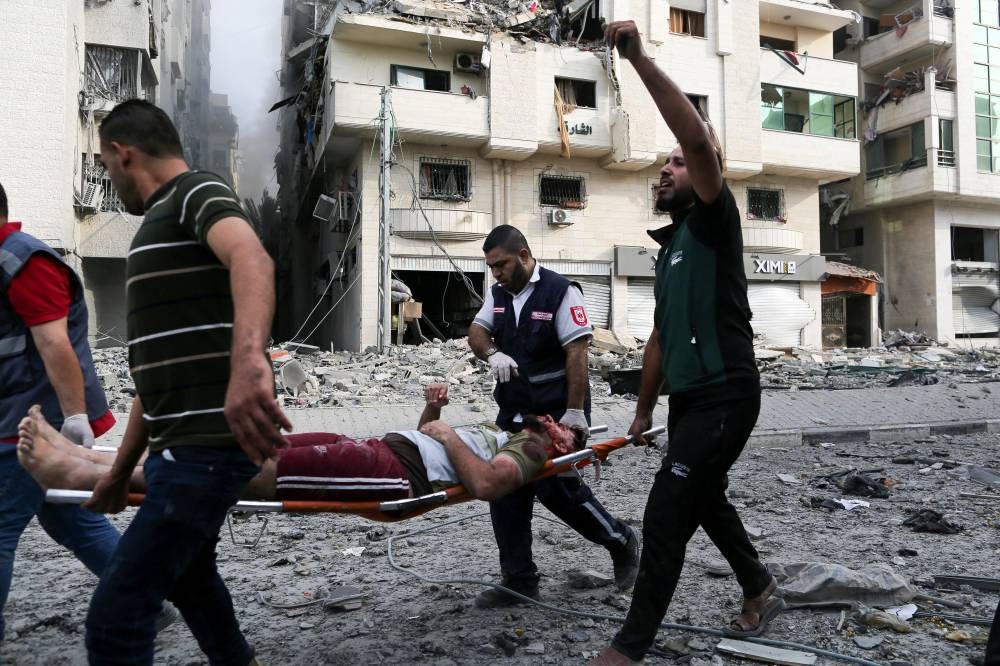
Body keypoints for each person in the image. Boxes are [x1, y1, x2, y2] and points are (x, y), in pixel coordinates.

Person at [589, 21, 782, 665]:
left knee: (669, 511)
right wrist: (643, 410)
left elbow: (697, 138)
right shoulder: (669, 251)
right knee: (704, 497)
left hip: (728, 394)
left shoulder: (715, 221)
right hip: (688, 403)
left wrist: (639, 58)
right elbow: (660, 342)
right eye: (665, 164)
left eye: (677, 163)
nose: (666, 169)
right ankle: (758, 585)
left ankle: (630, 646)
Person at [81, 99, 292, 666]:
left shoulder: (196, 191)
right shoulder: (156, 223)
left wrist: (250, 361)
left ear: (123, 154)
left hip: (205, 452)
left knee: (116, 618)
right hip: (182, 449)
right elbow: (156, 381)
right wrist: (120, 473)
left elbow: (252, 257)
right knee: (192, 581)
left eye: (104, 165)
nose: (107, 177)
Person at [0, 181, 175, 642]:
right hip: (20, 414)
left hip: (31, 421)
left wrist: (74, 419)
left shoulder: (22, 261)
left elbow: (55, 345)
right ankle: (146, 604)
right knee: (70, 518)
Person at [16, 385, 582, 505]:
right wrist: (433, 414)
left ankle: (84, 474)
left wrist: (449, 433)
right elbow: (430, 439)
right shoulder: (513, 432)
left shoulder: (533, 454)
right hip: (382, 448)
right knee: (260, 445)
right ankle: (90, 459)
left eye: (566, 431)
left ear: (562, 447)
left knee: (244, 467)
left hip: (390, 472)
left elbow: (483, 485)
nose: (555, 423)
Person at [468, 224, 639, 608]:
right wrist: (492, 352)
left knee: (556, 490)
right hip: (513, 410)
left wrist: (575, 414)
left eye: (502, 264)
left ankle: (620, 539)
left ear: (525, 256)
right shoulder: (498, 295)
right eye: (491, 267)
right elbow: (477, 332)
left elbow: (576, 354)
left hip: (555, 412)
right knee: (505, 488)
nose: (496, 273)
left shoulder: (562, 292)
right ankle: (520, 580)